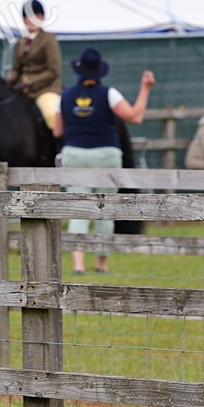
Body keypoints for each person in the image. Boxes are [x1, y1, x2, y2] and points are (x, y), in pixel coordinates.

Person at [52, 48, 156, 276]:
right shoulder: (110, 94)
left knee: (78, 209)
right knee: (105, 208)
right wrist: (145, 88)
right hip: (106, 156)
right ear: (100, 71)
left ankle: (78, 264)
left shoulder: (65, 96)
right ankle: (101, 263)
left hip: (75, 155)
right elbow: (135, 116)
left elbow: (57, 130)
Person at [6, 0, 62, 131]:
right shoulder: (21, 41)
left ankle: (58, 149)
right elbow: (16, 68)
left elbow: (54, 70)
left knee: (51, 115)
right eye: (27, 17)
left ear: (41, 17)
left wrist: (31, 81)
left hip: (45, 89)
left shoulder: (48, 40)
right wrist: (9, 82)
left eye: (35, 16)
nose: (30, 20)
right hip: (22, 90)